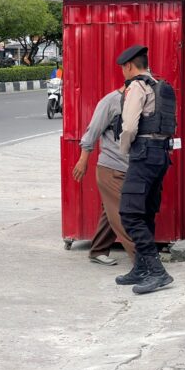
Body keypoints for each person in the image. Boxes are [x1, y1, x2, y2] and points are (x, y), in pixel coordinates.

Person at [115, 44, 176, 294]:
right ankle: (141, 268)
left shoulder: (137, 87)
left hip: (143, 154)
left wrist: (124, 150)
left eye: (122, 69)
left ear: (129, 66)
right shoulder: (158, 85)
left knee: (129, 213)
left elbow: (129, 126)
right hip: (161, 154)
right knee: (146, 212)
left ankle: (157, 271)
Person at [72, 86, 136, 266]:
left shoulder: (139, 101)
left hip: (130, 168)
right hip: (111, 167)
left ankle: (98, 250)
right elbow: (92, 131)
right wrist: (83, 160)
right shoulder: (110, 102)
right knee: (124, 214)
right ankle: (143, 260)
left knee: (110, 211)